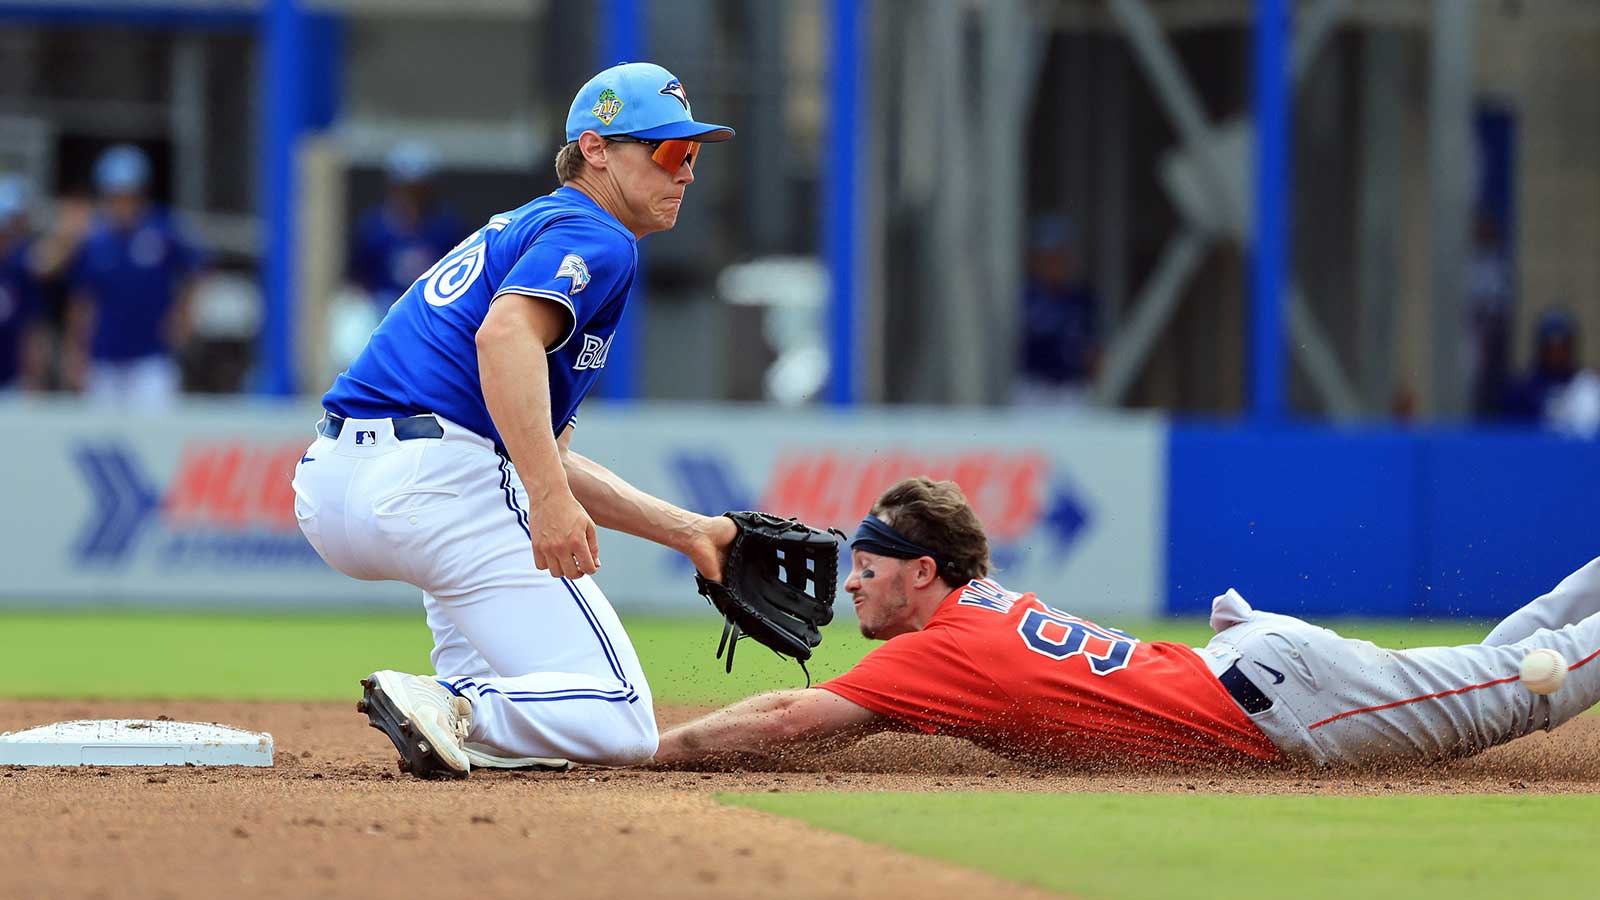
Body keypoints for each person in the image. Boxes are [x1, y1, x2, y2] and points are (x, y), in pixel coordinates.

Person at [293, 62, 738, 779]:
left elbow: (537, 447)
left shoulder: (533, 225)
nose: (685, 171)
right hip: (436, 480)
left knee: (528, 713)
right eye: (666, 151)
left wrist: (690, 532)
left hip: (339, 485)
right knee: (620, 719)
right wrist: (548, 499)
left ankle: (458, 711)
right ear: (595, 149)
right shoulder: (598, 233)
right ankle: (450, 703)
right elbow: (503, 338)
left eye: (691, 154)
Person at [654, 477, 1600, 770]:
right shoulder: (984, 601)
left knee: (1523, 689)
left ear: (925, 573)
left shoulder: (944, 650)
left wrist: (656, 749)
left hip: (1289, 706)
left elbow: (789, 721)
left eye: (869, 567)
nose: (852, 584)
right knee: (1501, 667)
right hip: (1258, 671)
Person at [66, 144, 204, 408]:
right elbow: (83, 301)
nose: (122, 203)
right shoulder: (95, 241)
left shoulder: (163, 230)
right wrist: (77, 352)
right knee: (100, 428)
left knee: (156, 427)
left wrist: (184, 315)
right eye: (115, 195)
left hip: (152, 358)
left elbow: (197, 268)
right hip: (104, 359)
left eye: (128, 195)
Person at [348, 141, 467, 309]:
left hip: (431, 308)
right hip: (381, 306)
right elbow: (358, 280)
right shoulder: (373, 228)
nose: (412, 196)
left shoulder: (447, 228)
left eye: (420, 188)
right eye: (406, 188)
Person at [1014, 215, 1099, 406]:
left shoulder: (1080, 300)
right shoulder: (1024, 297)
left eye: (1060, 256)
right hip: (1031, 389)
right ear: (1035, 259)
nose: (1054, 264)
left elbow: (1092, 349)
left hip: (1071, 390)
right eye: (1048, 257)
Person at [1503, 309, 1600, 438]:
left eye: (1561, 347)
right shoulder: (1522, 390)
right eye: (1550, 347)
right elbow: (1511, 433)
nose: (1556, 354)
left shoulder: (1588, 385)